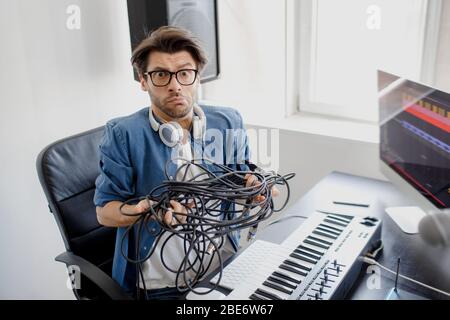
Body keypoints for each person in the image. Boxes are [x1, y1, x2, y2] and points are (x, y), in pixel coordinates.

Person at [94, 26, 276, 299]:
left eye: (184, 73)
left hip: (222, 267)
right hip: (161, 285)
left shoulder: (228, 121)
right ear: (143, 81)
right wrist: (145, 209)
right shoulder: (123, 134)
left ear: (197, 77)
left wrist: (254, 189)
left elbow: (241, 175)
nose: (175, 85)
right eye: (160, 74)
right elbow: (104, 212)